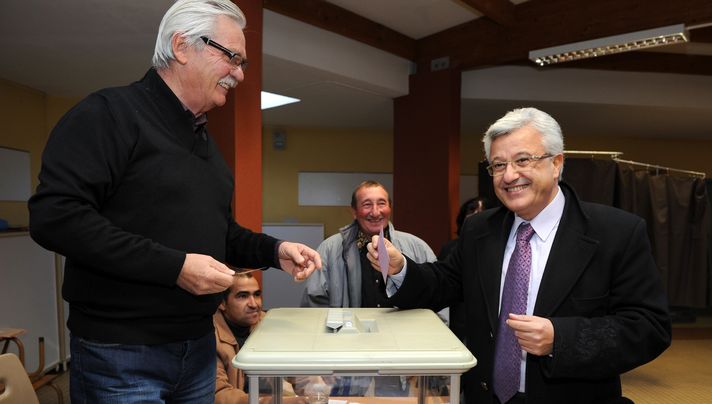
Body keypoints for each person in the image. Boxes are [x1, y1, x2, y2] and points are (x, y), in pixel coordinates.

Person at [27, 1, 321, 402]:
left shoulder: (205, 145)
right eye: (232, 57)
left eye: (243, 62)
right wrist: (176, 267)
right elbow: (54, 217)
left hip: (198, 351)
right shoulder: (107, 114)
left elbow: (222, 233)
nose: (239, 73)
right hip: (122, 356)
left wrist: (276, 250)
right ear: (182, 46)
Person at [368, 107, 671, 404]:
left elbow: (649, 327)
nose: (509, 175)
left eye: (523, 160)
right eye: (498, 165)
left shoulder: (615, 232)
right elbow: (444, 282)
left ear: (556, 164)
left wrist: (561, 339)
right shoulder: (479, 230)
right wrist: (400, 268)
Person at [300, 180, 443, 397]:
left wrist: (427, 358)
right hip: (346, 364)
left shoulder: (417, 248)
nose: (375, 212)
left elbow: (439, 303)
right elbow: (313, 307)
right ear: (354, 211)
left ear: (390, 208)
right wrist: (326, 358)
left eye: (382, 203)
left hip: (405, 363)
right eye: (367, 204)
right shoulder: (329, 250)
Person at [214, 272, 305, 404]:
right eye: (243, 296)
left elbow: (296, 366)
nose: (254, 304)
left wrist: (316, 393)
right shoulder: (208, 336)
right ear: (222, 303)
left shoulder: (267, 322)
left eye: (257, 295)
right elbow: (219, 395)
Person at [438, 196, 487, 343]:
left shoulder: (500, 248)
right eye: (472, 211)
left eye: (482, 211)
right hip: (457, 323)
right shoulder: (451, 248)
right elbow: (442, 283)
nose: (477, 215)